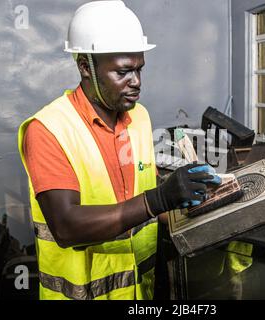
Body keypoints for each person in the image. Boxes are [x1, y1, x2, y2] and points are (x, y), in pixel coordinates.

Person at [17, 0, 220, 300]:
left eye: (139, 69)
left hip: (140, 291)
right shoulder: (48, 129)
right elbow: (66, 227)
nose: (136, 82)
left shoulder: (139, 117)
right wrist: (159, 198)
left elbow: (142, 203)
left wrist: (188, 203)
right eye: (123, 72)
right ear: (85, 66)